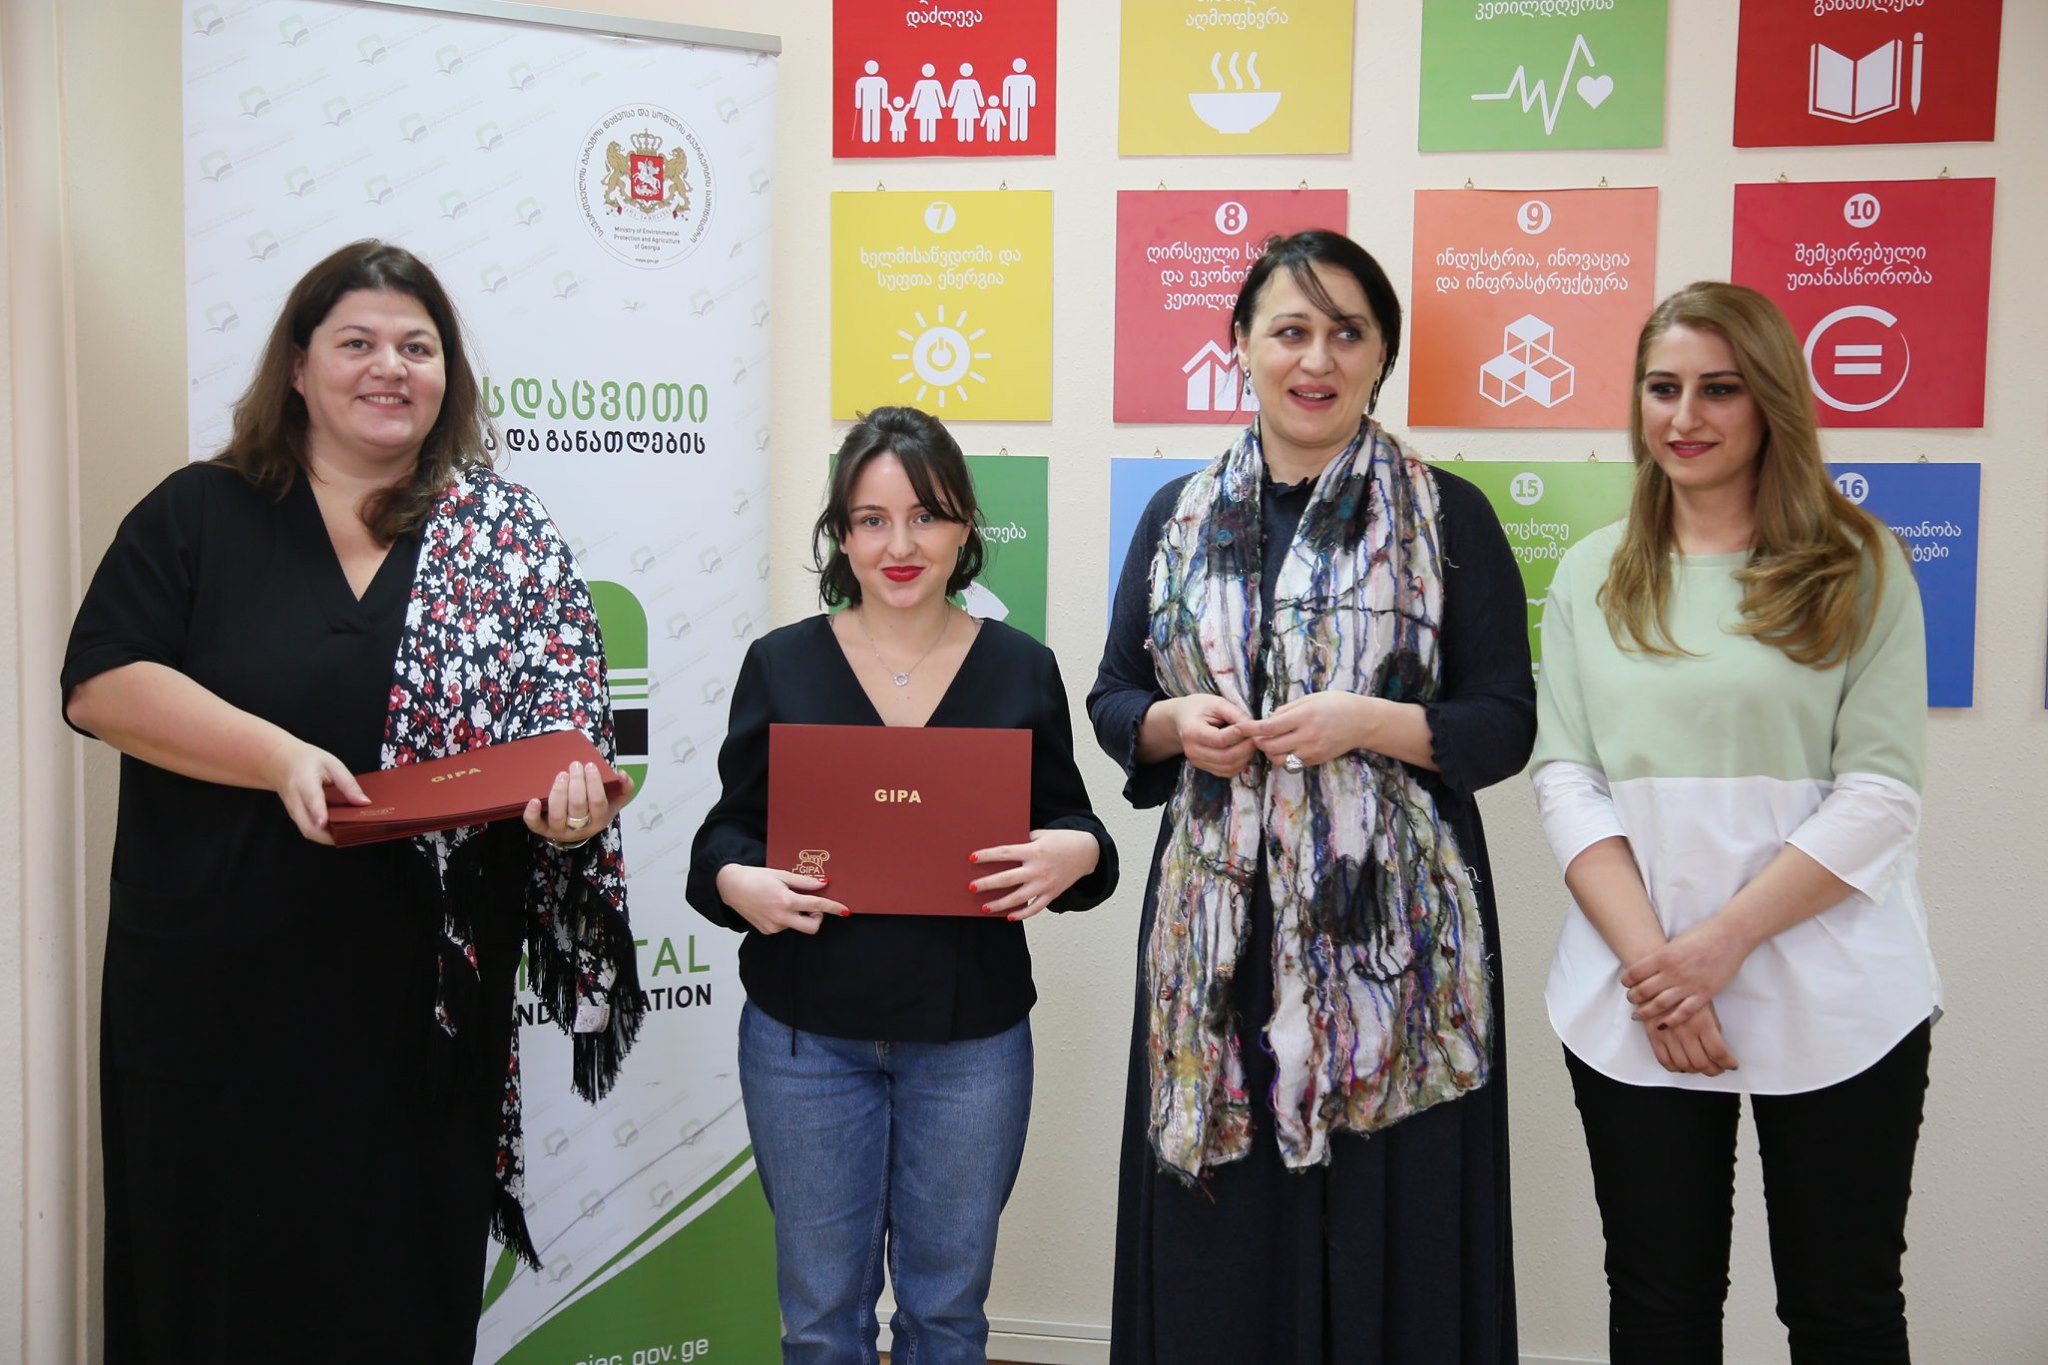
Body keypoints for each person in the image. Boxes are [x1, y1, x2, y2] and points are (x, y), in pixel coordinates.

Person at [63, 239, 642, 1362]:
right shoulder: (200, 513)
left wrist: (574, 810)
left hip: (421, 1011)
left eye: (417, 347)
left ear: (447, 374)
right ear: (296, 366)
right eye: (358, 342)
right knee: (215, 1294)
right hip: (218, 1001)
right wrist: (278, 756)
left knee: (397, 1296)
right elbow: (102, 683)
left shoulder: (506, 538)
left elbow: (566, 745)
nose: (391, 367)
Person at [1088, 230, 1533, 1363]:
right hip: (1218, 945)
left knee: (1390, 1230)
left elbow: (1504, 721)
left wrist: (1367, 724)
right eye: (1290, 330)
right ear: (1240, 343)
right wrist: (1174, 725)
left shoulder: (1450, 517)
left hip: (1391, 955)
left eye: (1347, 332)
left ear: (1382, 353)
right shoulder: (1177, 516)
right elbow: (1114, 697)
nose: (1316, 359)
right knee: (1224, 1251)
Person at [1531, 281, 1938, 1363]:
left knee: (1842, 1310)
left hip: (1837, 993)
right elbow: (1566, 780)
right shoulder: (1588, 574)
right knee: (1659, 1310)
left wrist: (1716, 947)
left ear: (1770, 400)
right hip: (1637, 997)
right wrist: (1657, 970)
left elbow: (1881, 794)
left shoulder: (1860, 563)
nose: (1683, 416)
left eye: (1718, 389)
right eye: (1661, 388)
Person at [687, 405, 1118, 1364]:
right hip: (806, 1039)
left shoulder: (1021, 667)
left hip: (972, 1044)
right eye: (872, 520)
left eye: (926, 516)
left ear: (964, 528)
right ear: (842, 536)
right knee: (819, 1320)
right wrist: (737, 880)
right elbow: (724, 835)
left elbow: (1079, 829)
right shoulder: (781, 663)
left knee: (947, 1316)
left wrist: (1075, 855)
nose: (900, 544)